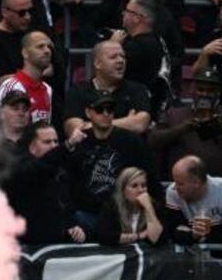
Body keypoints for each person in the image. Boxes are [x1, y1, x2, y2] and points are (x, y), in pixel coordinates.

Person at [65, 90, 158, 235]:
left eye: (110, 109)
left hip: (123, 217)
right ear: (89, 113)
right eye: (100, 109)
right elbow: (69, 183)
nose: (106, 113)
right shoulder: (80, 142)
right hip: (87, 216)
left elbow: (151, 177)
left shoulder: (132, 141)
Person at [2, 120, 88, 245]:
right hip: (25, 250)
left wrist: (73, 228)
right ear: (32, 147)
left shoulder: (60, 172)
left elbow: (65, 208)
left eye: (56, 141)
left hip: (54, 249)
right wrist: (68, 144)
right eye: (47, 142)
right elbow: (40, 168)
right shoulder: (20, 168)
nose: (54, 146)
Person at [148, 67, 222, 177]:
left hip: (221, 184)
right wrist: (182, 128)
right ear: (191, 90)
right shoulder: (173, 114)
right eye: (201, 90)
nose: (205, 94)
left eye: (211, 91)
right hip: (181, 183)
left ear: (218, 92)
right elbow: (153, 141)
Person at [64, 40, 153, 138]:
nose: (120, 60)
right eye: (113, 57)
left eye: (123, 56)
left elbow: (139, 125)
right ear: (98, 63)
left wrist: (91, 125)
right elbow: (75, 130)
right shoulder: (78, 92)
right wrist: (127, 122)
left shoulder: (137, 90)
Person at [163, 154, 222, 245]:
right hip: (189, 256)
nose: (175, 187)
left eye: (180, 184)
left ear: (196, 182)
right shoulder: (173, 192)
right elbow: (173, 233)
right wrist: (193, 235)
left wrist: (200, 238)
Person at [0, 30, 58, 123]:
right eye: (40, 46)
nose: (47, 51)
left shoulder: (47, 89)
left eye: (49, 47)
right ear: (25, 53)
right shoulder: (12, 86)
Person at [97, 166, 165, 245]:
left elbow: (156, 239)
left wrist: (148, 208)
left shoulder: (153, 206)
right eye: (134, 186)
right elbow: (103, 236)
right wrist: (138, 236)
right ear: (123, 190)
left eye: (143, 185)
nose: (140, 190)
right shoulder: (112, 205)